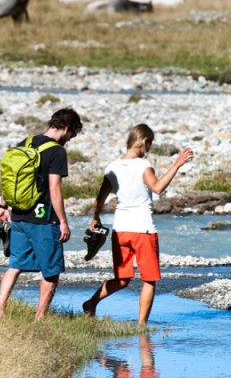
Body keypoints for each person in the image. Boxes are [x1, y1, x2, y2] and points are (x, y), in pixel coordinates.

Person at [82, 124, 193, 326]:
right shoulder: (143, 166)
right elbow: (158, 188)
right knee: (149, 279)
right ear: (146, 143)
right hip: (143, 229)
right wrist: (177, 165)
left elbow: (99, 199)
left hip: (121, 229)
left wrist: (95, 218)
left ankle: (91, 303)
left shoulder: (112, 167)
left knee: (122, 279)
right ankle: (141, 326)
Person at [0, 108, 83, 320]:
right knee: (51, 270)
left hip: (19, 215)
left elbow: (10, 178)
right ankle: (39, 318)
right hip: (44, 220)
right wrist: (63, 221)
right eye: (72, 135)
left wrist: (4, 206)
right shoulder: (57, 151)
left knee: (15, 266)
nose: (70, 140)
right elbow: (54, 188)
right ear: (67, 128)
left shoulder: (26, 142)